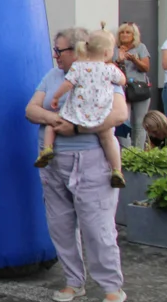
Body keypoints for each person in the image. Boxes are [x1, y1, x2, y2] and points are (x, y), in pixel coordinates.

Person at [25, 28, 127, 302]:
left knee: (98, 228)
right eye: (54, 51)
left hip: (90, 160)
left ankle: (111, 287)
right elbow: (31, 109)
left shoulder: (103, 72)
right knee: (60, 225)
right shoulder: (53, 76)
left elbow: (119, 114)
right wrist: (55, 119)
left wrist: (78, 127)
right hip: (53, 161)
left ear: (80, 49)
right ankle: (73, 280)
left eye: (61, 51)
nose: (55, 56)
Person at [35, 30, 127, 188]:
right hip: (99, 113)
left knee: (52, 126)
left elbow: (67, 84)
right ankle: (117, 170)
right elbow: (123, 80)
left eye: (58, 51)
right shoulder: (109, 69)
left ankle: (47, 149)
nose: (54, 55)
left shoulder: (78, 68)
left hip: (76, 113)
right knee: (109, 138)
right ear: (106, 52)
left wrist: (57, 98)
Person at [114, 23, 151, 149]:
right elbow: (108, 68)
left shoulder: (141, 47)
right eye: (122, 32)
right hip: (122, 90)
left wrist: (135, 60)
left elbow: (146, 68)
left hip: (139, 89)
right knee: (124, 121)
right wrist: (119, 60)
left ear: (134, 35)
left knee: (139, 123)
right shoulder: (114, 48)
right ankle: (127, 153)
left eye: (128, 32)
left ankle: (139, 153)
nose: (124, 35)